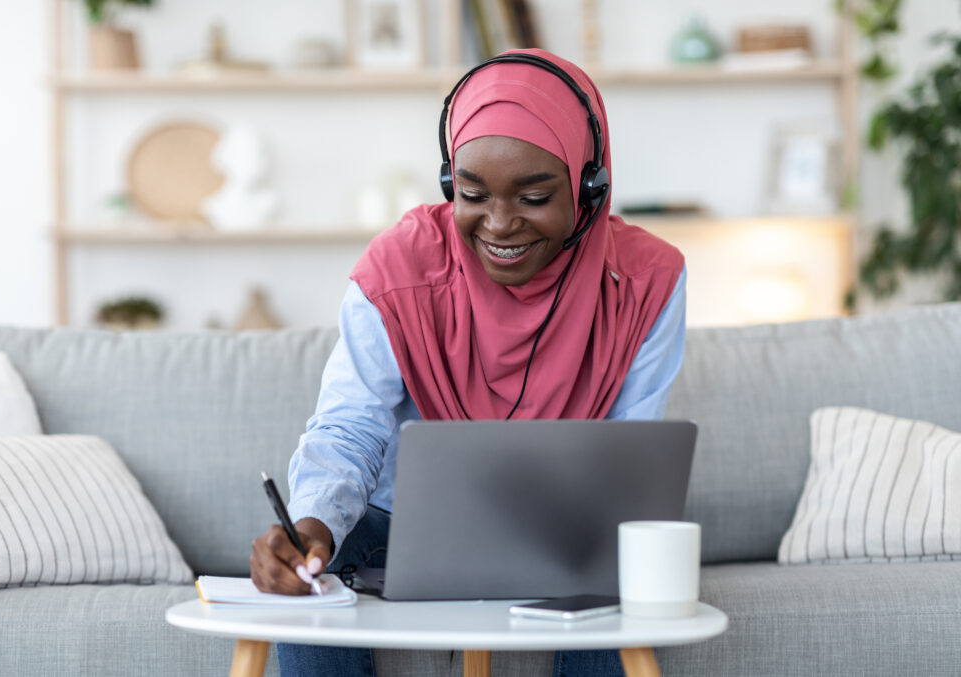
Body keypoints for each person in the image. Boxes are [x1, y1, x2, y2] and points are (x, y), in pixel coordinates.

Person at [250, 48, 687, 677]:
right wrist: (311, 527)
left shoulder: (647, 281)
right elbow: (350, 427)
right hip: (399, 527)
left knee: (622, 580)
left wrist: (603, 541)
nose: (501, 225)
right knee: (305, 586)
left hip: (569, 534)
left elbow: (632, 462)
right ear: (450, 184)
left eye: (535, 196)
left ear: (591, 187)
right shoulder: (397, 268)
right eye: (474, 194)